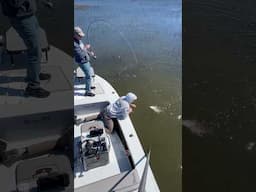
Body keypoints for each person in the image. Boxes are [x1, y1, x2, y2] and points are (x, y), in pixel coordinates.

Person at [0, 0, 51, 98]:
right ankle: (33, 87)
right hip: (22, 19)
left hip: (30, 16)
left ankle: (34, 74)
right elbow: (15, 3)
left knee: (38, 47)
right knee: (34, 52)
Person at [74, 26, 96, 97]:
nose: (81, 37)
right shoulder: (74, 44)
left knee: (89, 73)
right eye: (79, 35)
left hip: (86, 60)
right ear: (75, 34)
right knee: (88, 76)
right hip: (82, 62)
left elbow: (83, 49)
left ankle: (88, 86)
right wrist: (86, 48)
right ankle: (88, 91)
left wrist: (90, 53)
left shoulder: (79, 40)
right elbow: (80, 54)